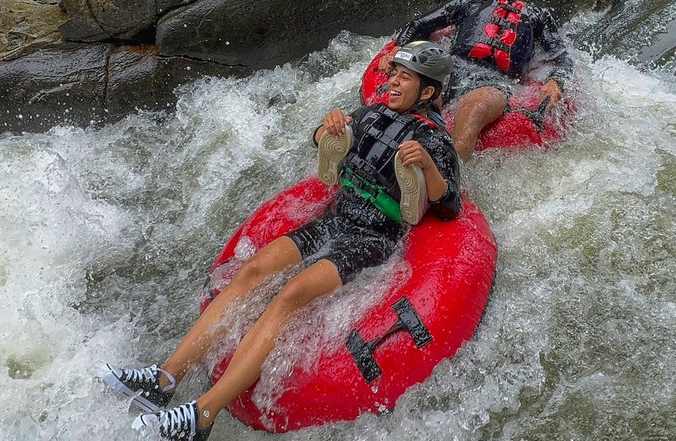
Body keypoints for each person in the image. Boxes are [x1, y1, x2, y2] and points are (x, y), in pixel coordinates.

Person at [101, 41, 461, 441]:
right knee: (252, 270)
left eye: (404, 78)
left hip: (370, 238)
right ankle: (163, 380)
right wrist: (329, 127)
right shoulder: (373, 113)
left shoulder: (435, 141)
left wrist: (426, 165)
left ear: (427, 92)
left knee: (290, 294)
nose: (392, 81)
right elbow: (321, 143)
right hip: (334, 219)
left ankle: (202, 415)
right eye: (393, 73)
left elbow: (448, 206)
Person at [379, 0, 574, 162]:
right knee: (418, 96)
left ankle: (445, 175)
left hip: (495, 83)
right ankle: (380, 153)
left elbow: (561, 58)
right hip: (452, 69)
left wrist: (556, 80)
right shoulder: (468, 2)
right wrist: (398, 47)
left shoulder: (538, 17)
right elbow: (420, 25)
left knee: (475, 109)